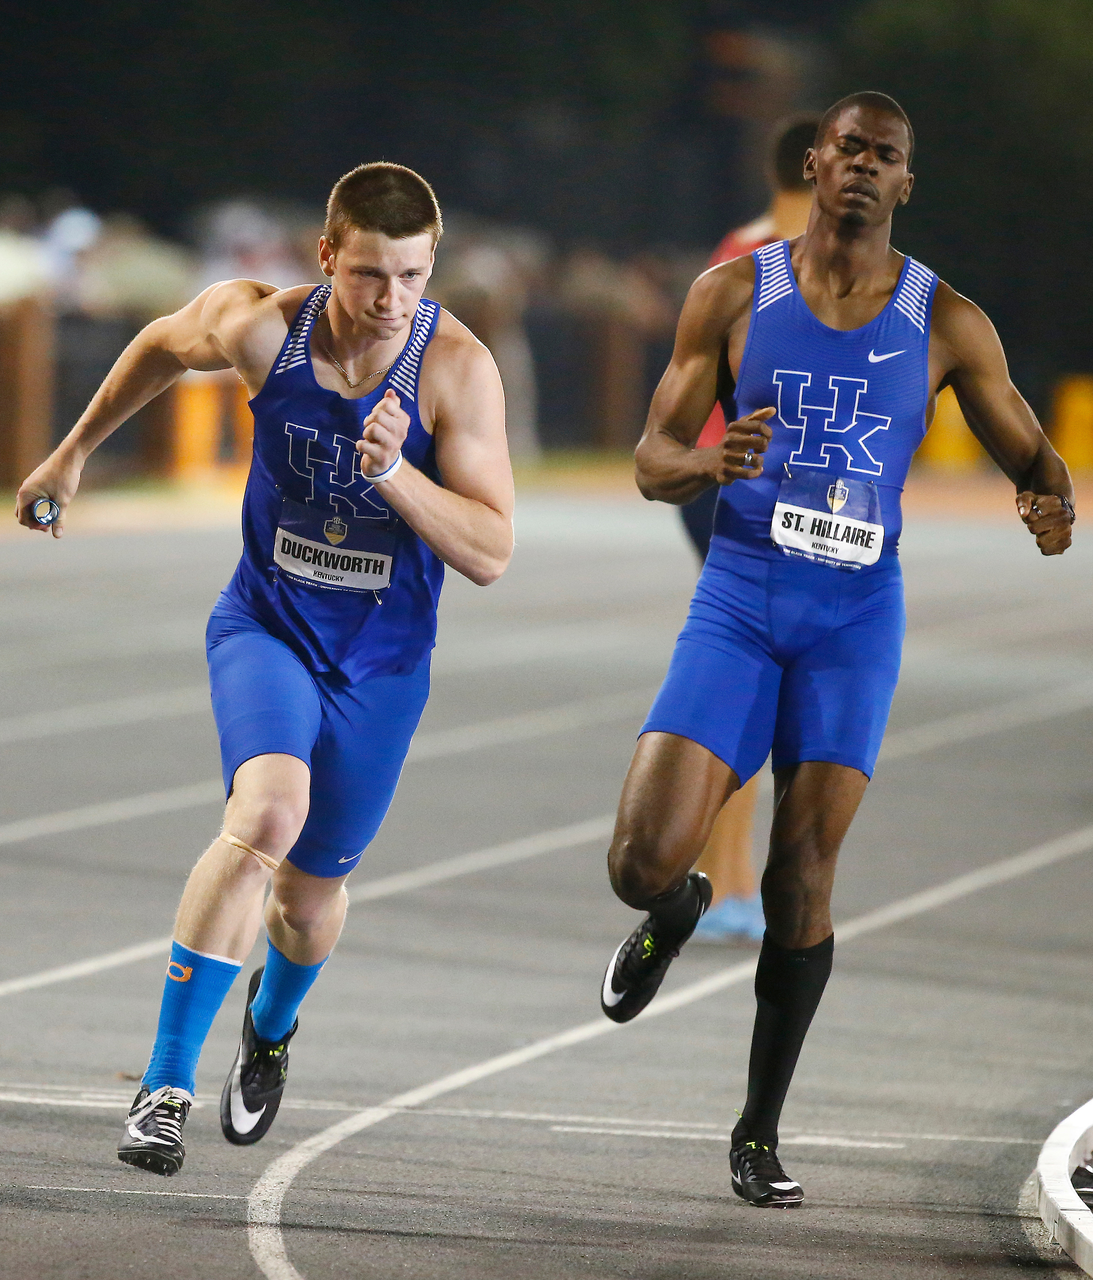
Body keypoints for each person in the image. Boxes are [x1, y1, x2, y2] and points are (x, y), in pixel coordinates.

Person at [600, 92, 1073, 1208]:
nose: (862, 165)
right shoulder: (732, 294)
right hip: (742, 593)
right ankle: (671, 913)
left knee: (803, 873)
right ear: (814, 162)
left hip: (854, 620)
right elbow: (651, 455)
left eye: (886, 156)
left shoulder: (948, 321)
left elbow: (1032, 457)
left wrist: (1049, 503)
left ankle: (758, 1131)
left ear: (906, 183)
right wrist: (708, 467)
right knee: (638, 858)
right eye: (846, 147)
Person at [16, 163, 514, 1175]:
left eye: (413, 276)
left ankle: (271, 1028)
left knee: (307, 899)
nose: (391, 301)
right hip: (267, 624)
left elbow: (491, 549)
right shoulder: (259, 327)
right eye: (371, 274)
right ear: (327, 255)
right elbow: (160, 342)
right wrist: (68, 454)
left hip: (380, 662)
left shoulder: (456, 368)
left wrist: (395, 472)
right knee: (264, 816)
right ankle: (164, 1086)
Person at [684, 116, 820, 946]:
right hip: (747, 483)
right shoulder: (796, 263)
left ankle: (723, 881)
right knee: (756, 682)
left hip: (711, 478)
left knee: (749, 675)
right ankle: (714, 882)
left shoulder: (735, 247)